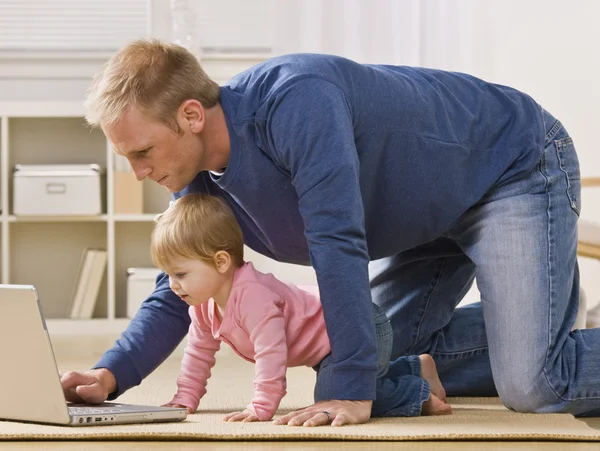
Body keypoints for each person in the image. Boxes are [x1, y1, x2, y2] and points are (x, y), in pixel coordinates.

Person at [60, 37, 599, 426]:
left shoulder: (295, 101)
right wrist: (111, 376)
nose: (138, 172)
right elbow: (179, 285)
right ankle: (536, 320)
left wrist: (350, 392)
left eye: (142, 152)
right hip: (425, 219)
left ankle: (537, 336)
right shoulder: (199, 180)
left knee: (535, 386)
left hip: (510, 165)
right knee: (377, 346)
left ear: (192, 115)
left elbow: (336, 240)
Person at [151, 192, 451, 422]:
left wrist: (263, 405)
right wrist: (184, 399)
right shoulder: (203, 307)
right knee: (332, 389)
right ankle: (414, 367)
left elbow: (272, 353)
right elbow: (198, 354)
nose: (172, 284)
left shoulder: (253, 297)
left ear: (220, 262)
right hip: (325, 350)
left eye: (180, 274)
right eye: (168, 274)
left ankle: (416, 394)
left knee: (331, 398)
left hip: (354, 327)